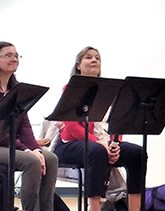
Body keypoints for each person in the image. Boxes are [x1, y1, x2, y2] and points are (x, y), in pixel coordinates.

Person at [0, 41, 59, 211]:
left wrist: (35, 148)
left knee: (50, 158)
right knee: (31, 161)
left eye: (16, 55)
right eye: (8, 55)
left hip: (5, 144)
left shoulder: (16, 88)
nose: (14, 59)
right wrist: (26, 150)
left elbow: (24, 126)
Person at [53, 47, 147, 211]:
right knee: (96, 151)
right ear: (78, 66)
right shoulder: (70, 88)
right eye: (88, 57)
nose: (94, 60)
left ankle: (134, 208)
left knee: (137, 154)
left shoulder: (108, 90)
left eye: (97, 58)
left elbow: (117, 121)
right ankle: (95, 208)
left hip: (102, 144)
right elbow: (71, 128)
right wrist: (100, 144)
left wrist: (115, 145)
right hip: (70, 144)